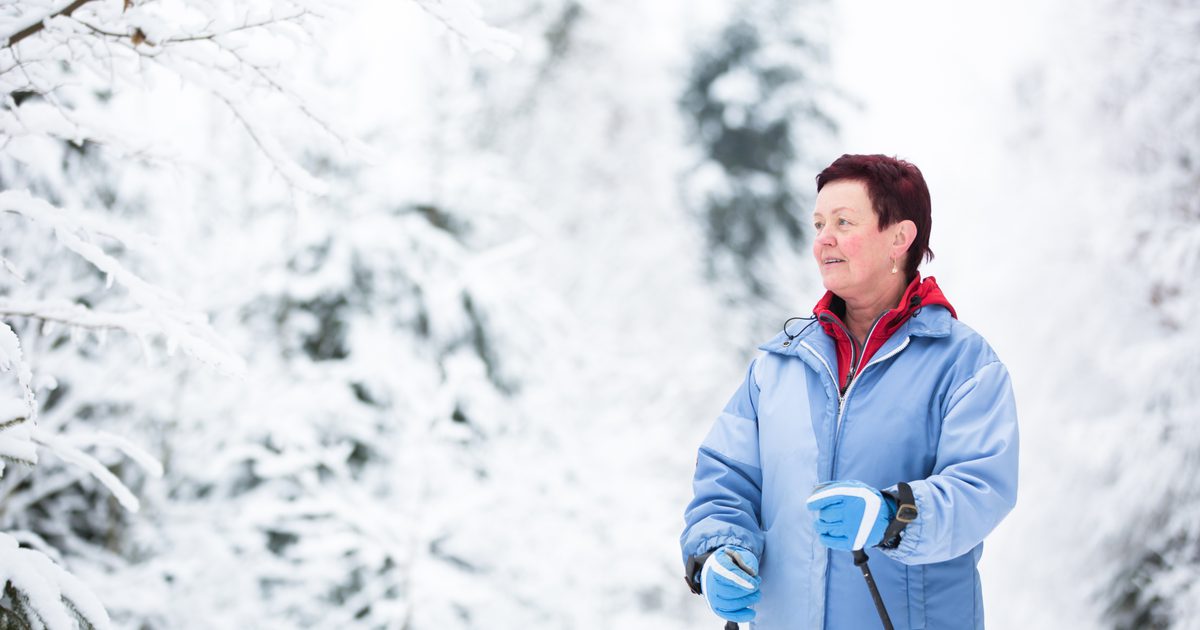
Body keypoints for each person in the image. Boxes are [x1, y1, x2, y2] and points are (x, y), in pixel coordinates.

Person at [680, 154, 1019, 629]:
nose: (824, 240)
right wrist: (719, 551)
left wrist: (891, 516)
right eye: (818, 223)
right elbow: (726, 479)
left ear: (899, 238)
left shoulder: (963, 365)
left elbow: (981, 488)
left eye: (843, 222)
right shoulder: (778, 367)